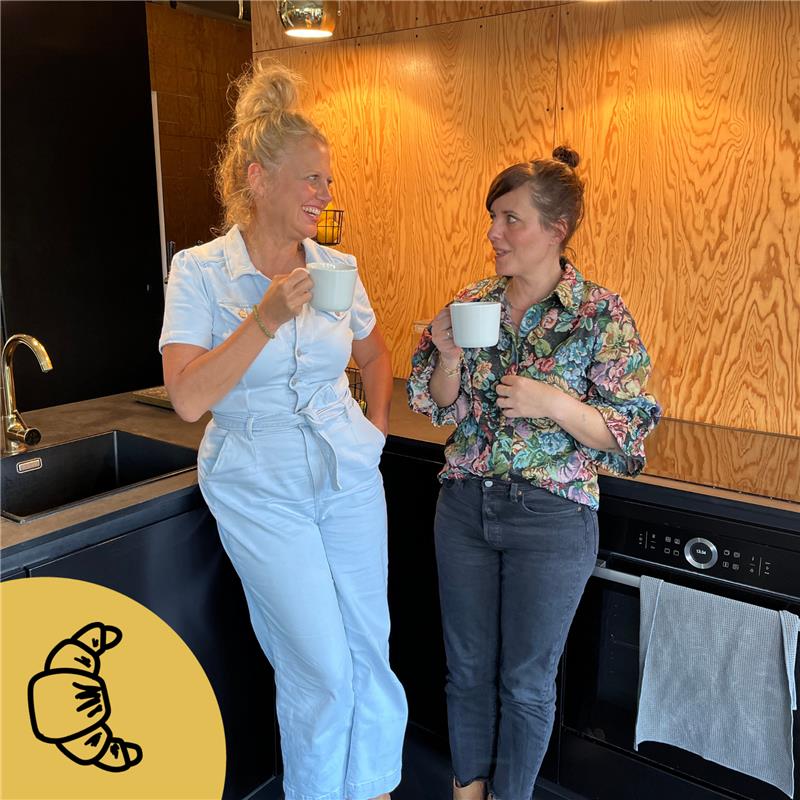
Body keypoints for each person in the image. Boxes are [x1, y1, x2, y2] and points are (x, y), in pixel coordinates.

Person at [159, 61, 407, 800]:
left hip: (347, 469)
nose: (324, 193)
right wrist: (263, 320)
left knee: (370, 649)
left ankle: (373, 790)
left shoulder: (338, 267)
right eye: (310, 179)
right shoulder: (200, 272)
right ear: (258, 178)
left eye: (327, 181)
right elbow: (187, 398)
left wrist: (375, 430)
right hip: (257, 479)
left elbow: (375, 354)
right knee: (321, 669)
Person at [407, 146, 661, 800]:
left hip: (552, 518)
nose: (494, 233)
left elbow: (628, 429)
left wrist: (553, 402)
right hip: (465, 506)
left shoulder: (600, 315)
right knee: (466, 671)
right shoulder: (474, 300)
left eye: (510, 219)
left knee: (525, 683)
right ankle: (466, 793)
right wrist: (447, 357)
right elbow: (439, 407)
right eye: (493, 218)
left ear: (556, 229)